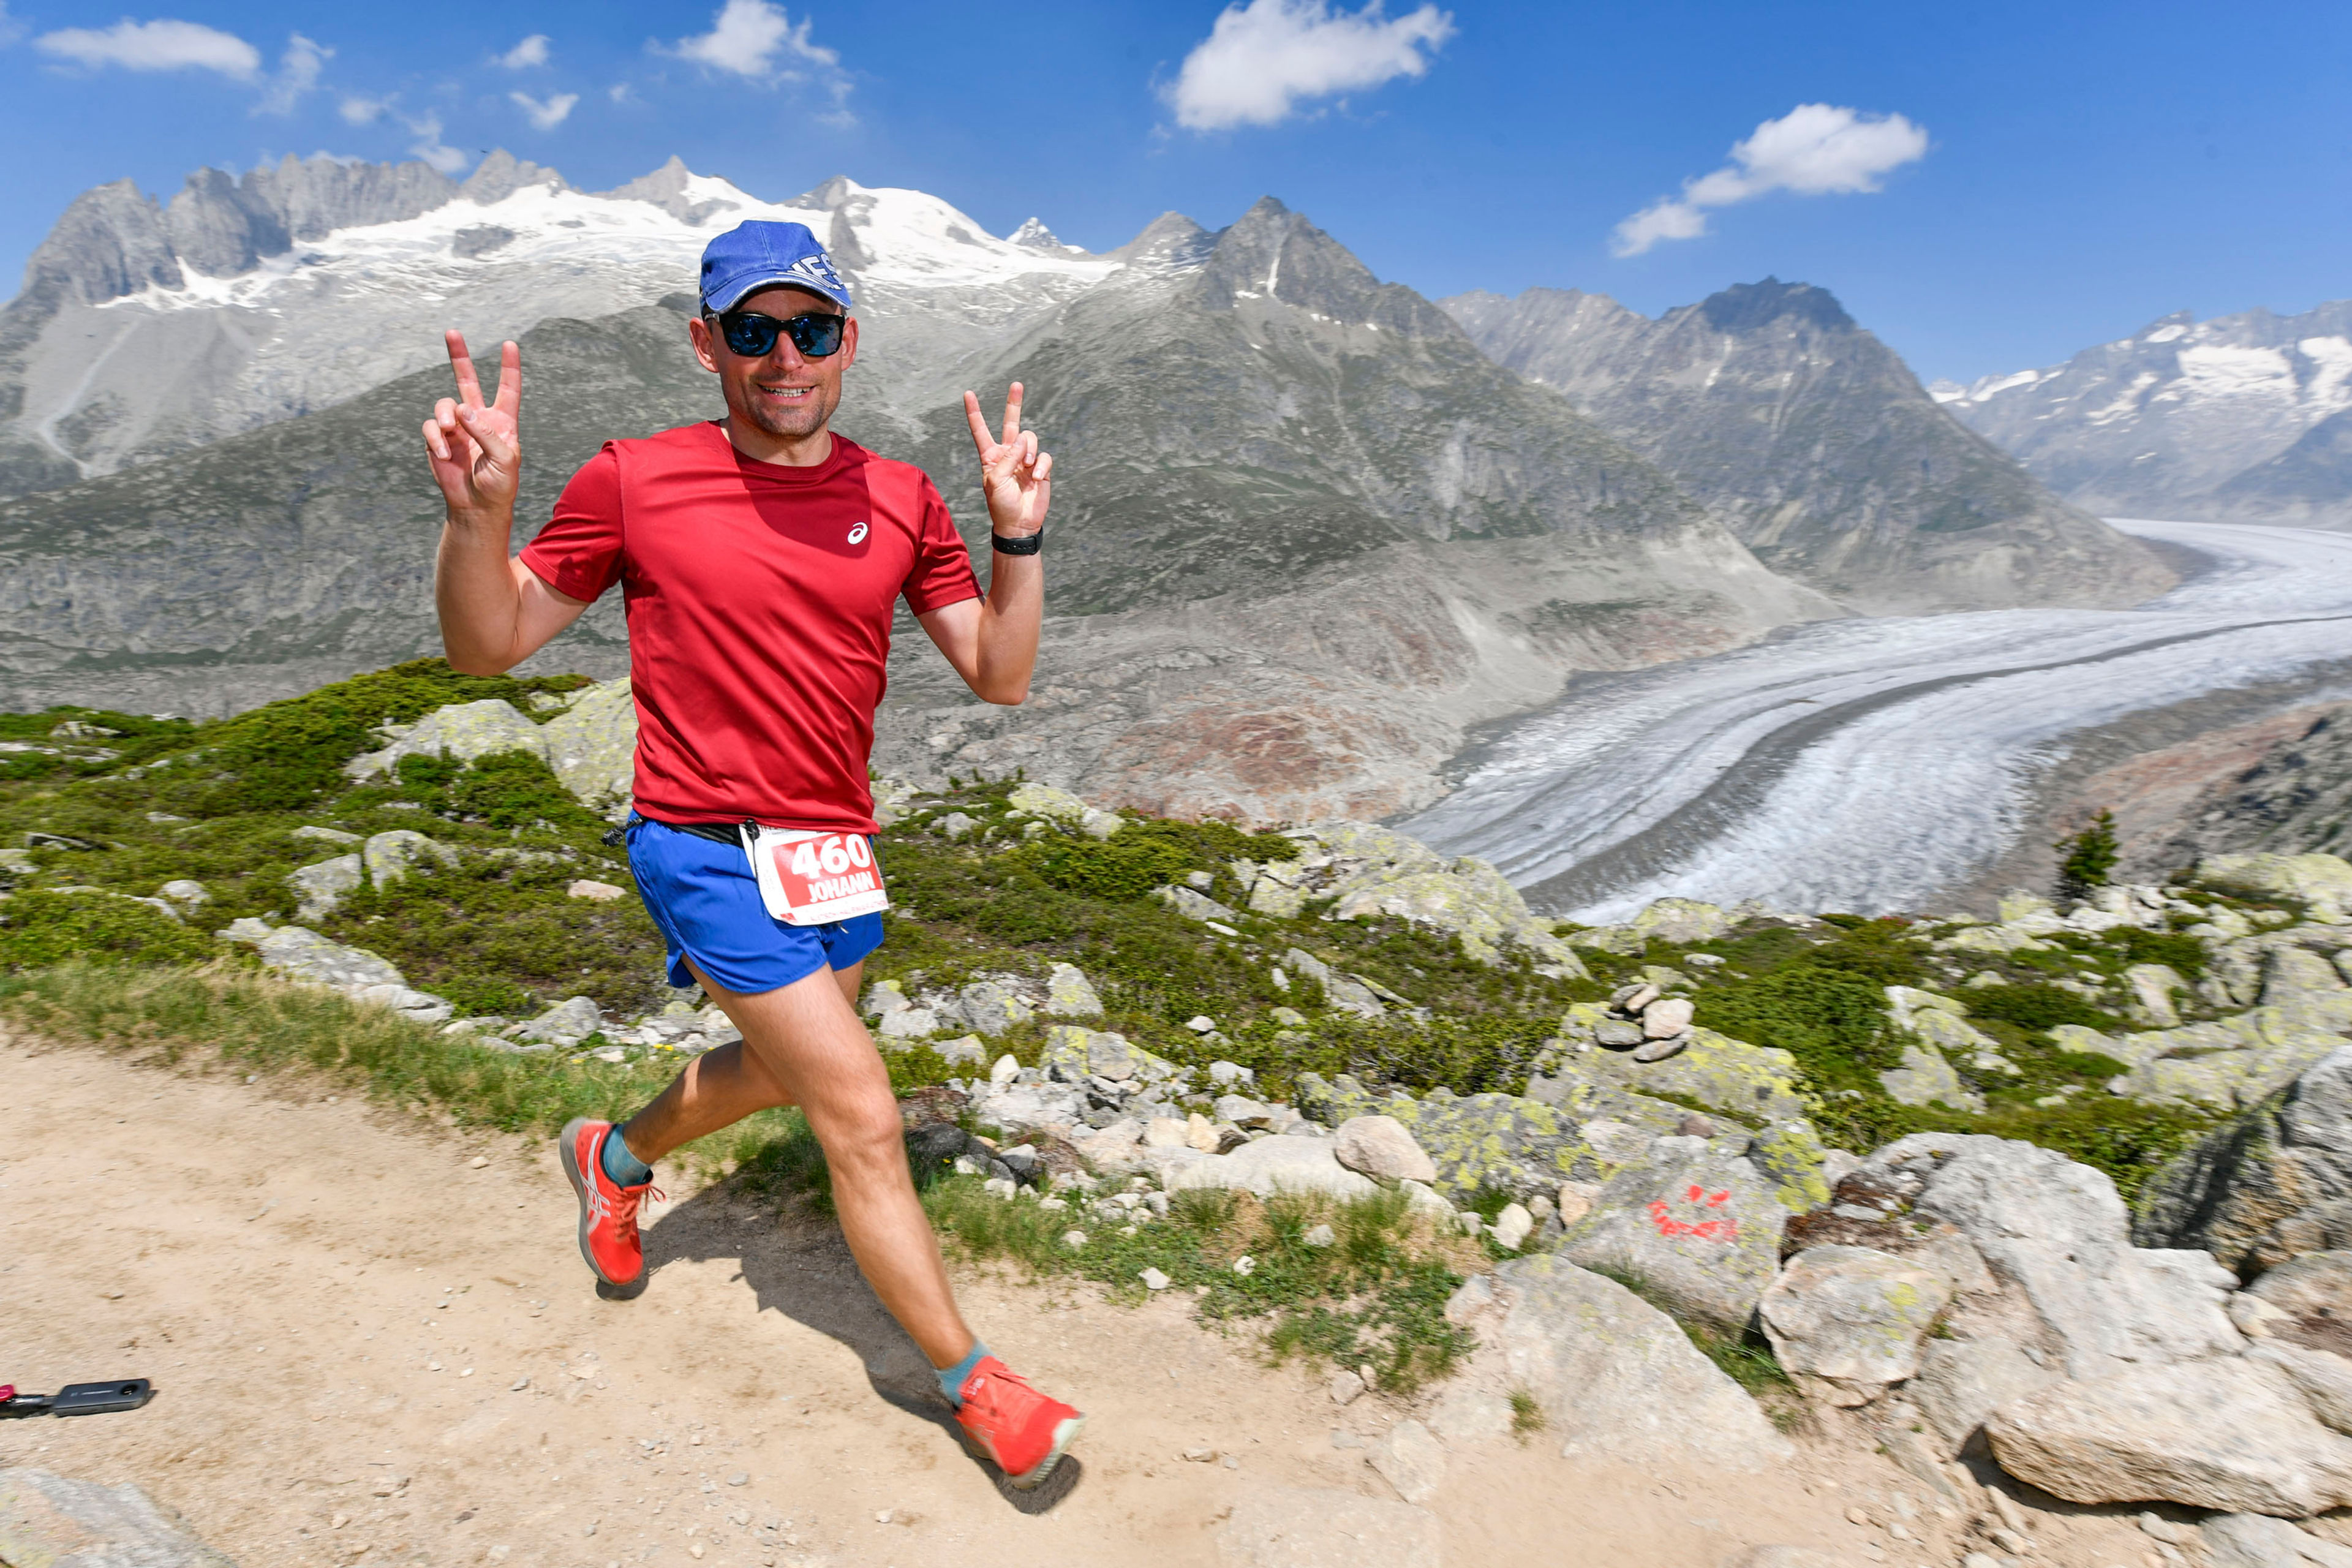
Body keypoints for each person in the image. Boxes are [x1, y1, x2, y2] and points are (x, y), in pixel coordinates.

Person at [420, 219, 1083, 1490]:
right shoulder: (632, 477)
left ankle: (611, 1156)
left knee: (783, 1074)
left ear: (846, 343)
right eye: (753, 329)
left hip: (835, 852)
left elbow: (999, 674)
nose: (785, 356)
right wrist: (478, 517)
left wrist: (1018, 536)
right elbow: (487, 645)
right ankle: (976, 1381)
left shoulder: (900, 497)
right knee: (860, 1110)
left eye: (811, 328)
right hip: (700, 842)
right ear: (705, 343)